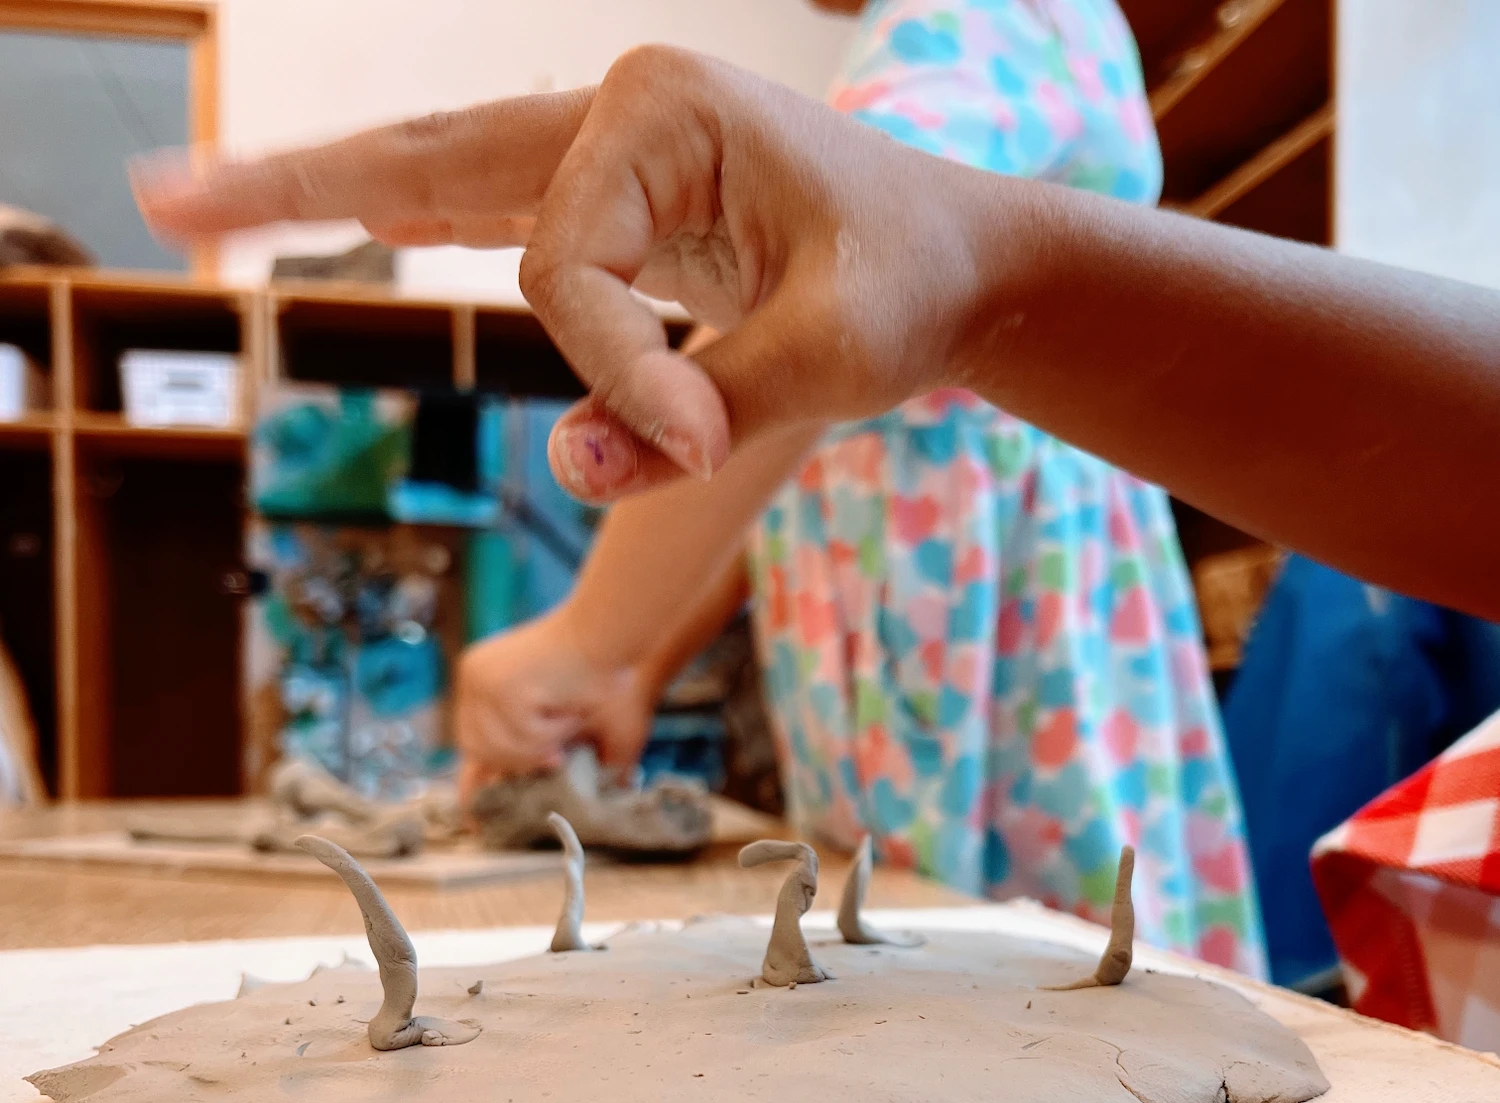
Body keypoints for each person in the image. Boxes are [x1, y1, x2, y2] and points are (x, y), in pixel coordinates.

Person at [135, 42, 1500, 893]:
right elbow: (808, 402)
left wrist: (590, 632)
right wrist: (637, 659)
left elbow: (844, 318)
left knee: (1007, 986)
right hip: (928, 627)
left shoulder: (974, 27)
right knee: (909, 950)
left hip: (977, 648)